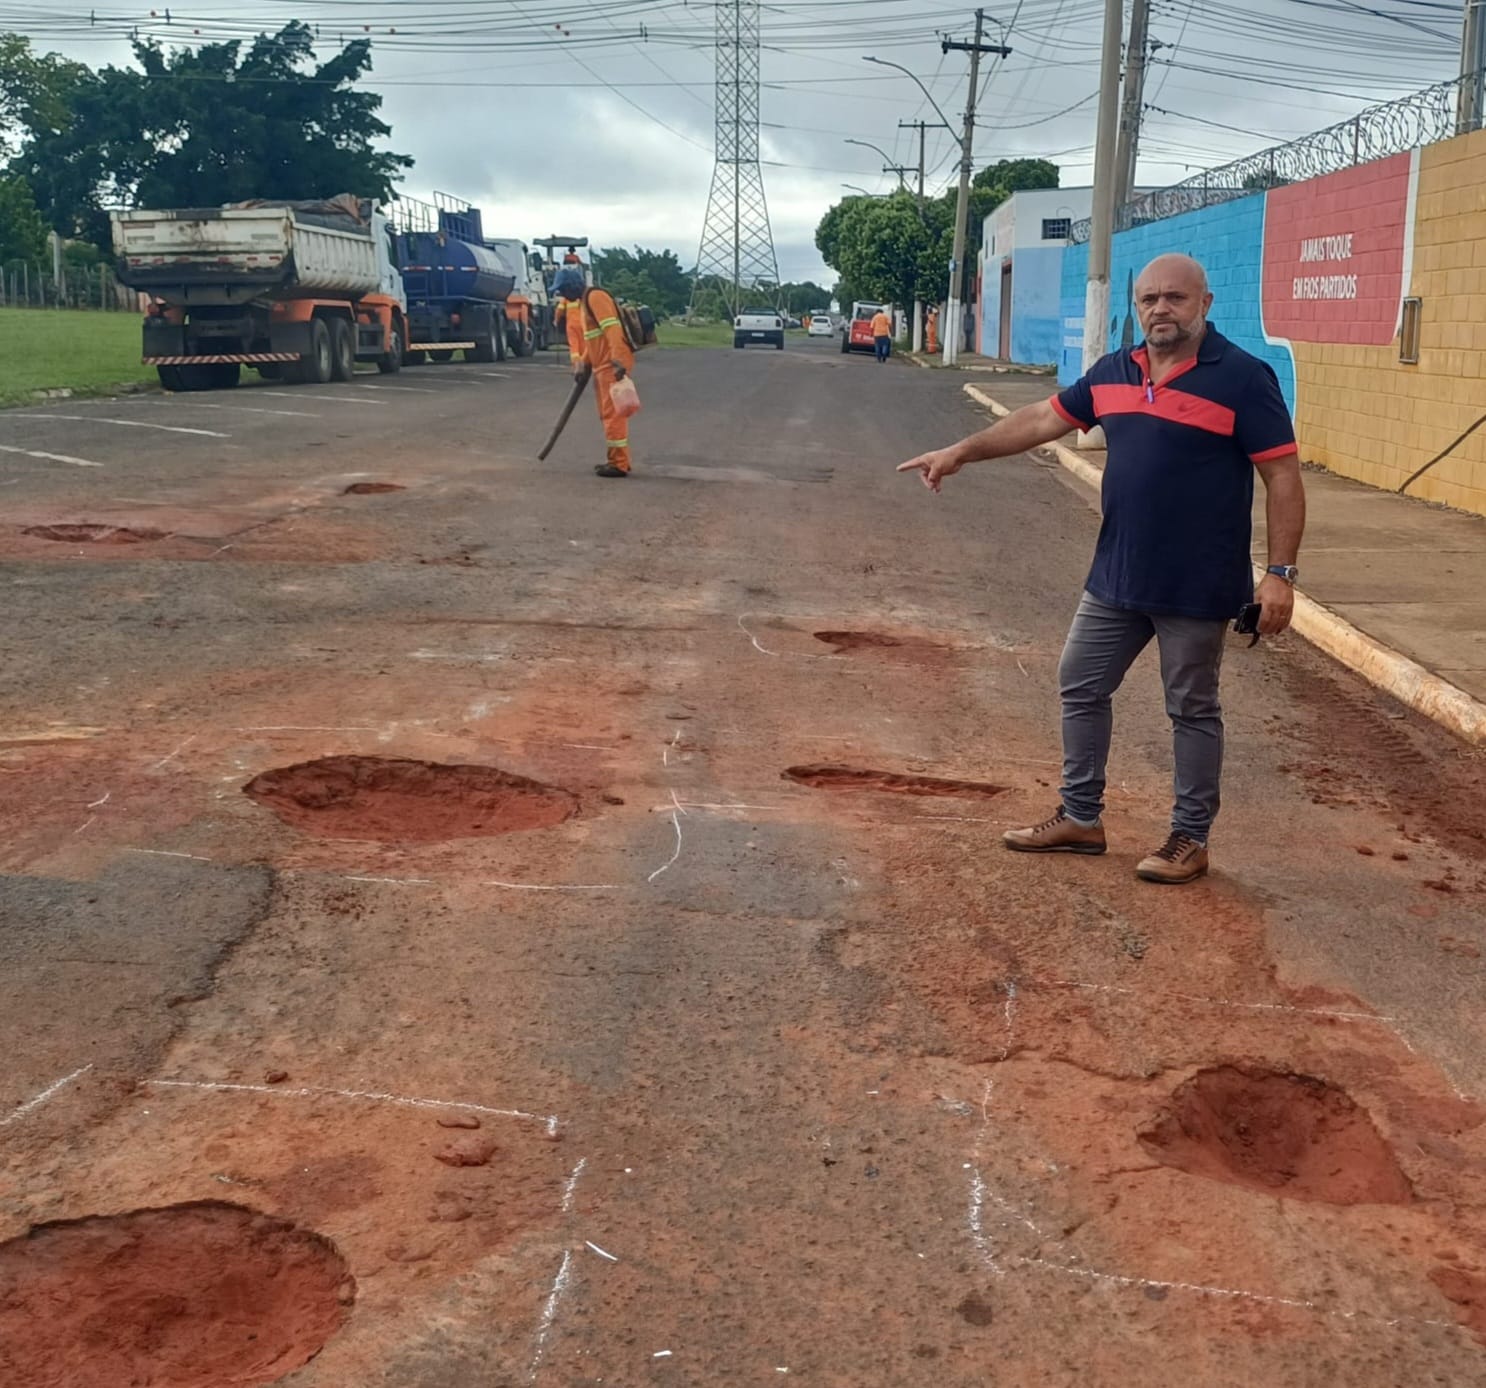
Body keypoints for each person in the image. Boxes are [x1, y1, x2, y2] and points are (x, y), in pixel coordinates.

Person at [896, 253, 1306, 884]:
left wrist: (1280, 573)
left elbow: (1281, 474)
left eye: (1175, 298)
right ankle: (1081, 817)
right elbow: (1041, 419)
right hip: (1116, 573)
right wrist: (959, 452)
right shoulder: (1115, 370)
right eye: (1148, 299)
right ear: (1135, 307)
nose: (1160, 309)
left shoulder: (1243, 379)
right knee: (1079, 684)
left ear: (1205, 304)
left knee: (1191, 708)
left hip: (1195, 583)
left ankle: (1190, 838)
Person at [552, 267, 635, 479]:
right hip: (602, 366)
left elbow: (612, 329)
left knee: (612, 414)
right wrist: (583, 363)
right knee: (607, 414)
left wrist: (617, 360)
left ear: (572, 286)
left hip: (610, 365)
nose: (562, 295)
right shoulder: (584, 302)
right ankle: (617, 460)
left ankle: (618, 464)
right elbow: (593, 339)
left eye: (562, 290)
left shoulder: (595, 298)